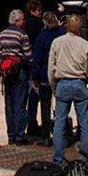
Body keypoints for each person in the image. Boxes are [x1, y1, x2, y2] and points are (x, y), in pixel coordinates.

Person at [47, 12, 88, 167]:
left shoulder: (57, 42)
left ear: (66, 26)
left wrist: (54, 87)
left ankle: (58, 159)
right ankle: (86, 159)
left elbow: (51, 68)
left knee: (59, 123)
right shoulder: (86, 45)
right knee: (85, 123)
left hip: (62, 83)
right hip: (80, 84)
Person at [0, 8, 32, 145]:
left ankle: (11, 135)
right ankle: (19, 136)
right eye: (22, 19)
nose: (24, 22)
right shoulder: (22, 35)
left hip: (6, 71)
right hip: (19, 71)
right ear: (17, 21)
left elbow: (0, 54)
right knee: (20, 104)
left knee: (9, 104)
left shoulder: (2, 35)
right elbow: (28, 56)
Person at [30, 10, 63, 143]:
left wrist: (35, 76)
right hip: (61, 72)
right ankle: (61, 132)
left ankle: (46, 135)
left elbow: (37, 59)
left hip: (45, 74)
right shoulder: (63, 34)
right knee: (61, 105)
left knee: (45, 105)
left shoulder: (41, 38)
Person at [22, 0, 44, 136]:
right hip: (36, 63)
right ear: (32, 11)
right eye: (38, 10)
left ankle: (29, 124)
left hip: (26, 65)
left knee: (28, 96)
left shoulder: (24, 25)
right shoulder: (38, 24)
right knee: (37, 95)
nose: (40, 13)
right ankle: (35, 125)